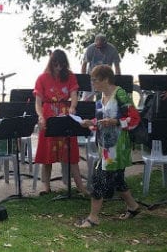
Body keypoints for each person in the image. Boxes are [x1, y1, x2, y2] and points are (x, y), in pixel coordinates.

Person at [75, 64, 141, 228]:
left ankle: (93, 218)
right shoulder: (100, 99)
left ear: (105, 79)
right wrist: (90, 123)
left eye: (95, 80)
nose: (93, 84)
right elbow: (99, 122)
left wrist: (115, 121)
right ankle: (133, 207)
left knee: (99, 179)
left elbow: (134, 118)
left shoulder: (120, 94)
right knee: (118, 179)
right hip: (105, 145)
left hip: (117, 146)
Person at [33, 49, 86, 196]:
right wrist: (41, 116)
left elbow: (74, 95)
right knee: (46, 153)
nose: (58, 67)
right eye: (55, 64)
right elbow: (38, 102)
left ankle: (81, 187)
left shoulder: (70, 76)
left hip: (65, 113)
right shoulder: (42, 78)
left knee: (71, 151)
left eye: (61, 64)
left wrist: (73, 107)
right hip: (48, 115)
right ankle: (46, 186)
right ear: (51, 63)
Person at [81, 34, 121, 100]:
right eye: (98, 47)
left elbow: (117, 66)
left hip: (106, 78)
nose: (100, 49)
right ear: (95, 44)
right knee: (86, 99)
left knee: (108, 98)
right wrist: (84, 79)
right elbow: (84, 64)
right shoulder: (90, 48)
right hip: (92, 77)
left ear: (106, 44)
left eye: (102, 46)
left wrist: (118, 79)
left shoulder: (112, 49)